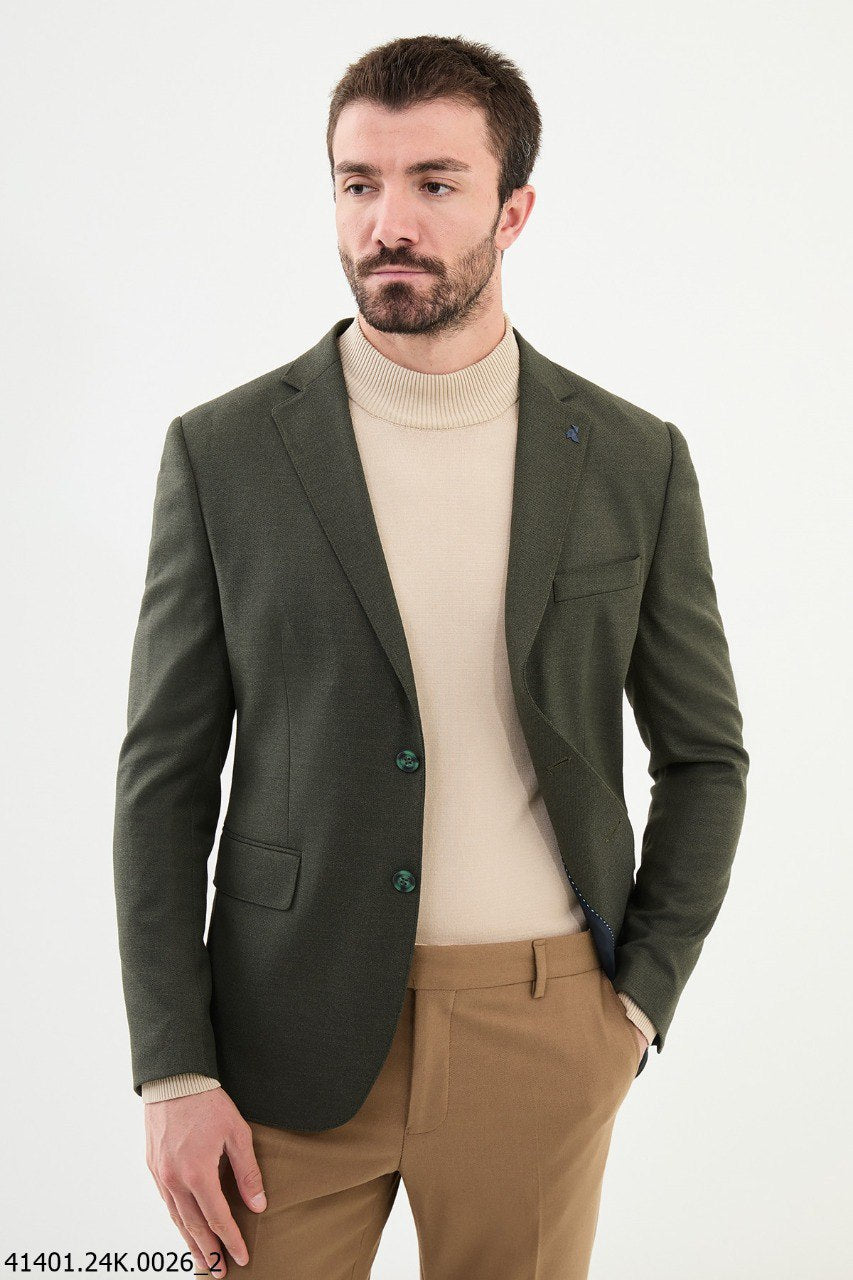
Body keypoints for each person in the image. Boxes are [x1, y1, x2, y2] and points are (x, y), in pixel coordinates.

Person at [113, 34, 749, 1280]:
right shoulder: (224, 452)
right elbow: (163, 778)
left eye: (435, 183)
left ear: (514, 211)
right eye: (358, 183)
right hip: (280, 1040)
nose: (387, 223)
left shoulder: (634, 459)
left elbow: (706, 755)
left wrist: (634, 1003)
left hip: (542, 1031)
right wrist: (173, 1067)